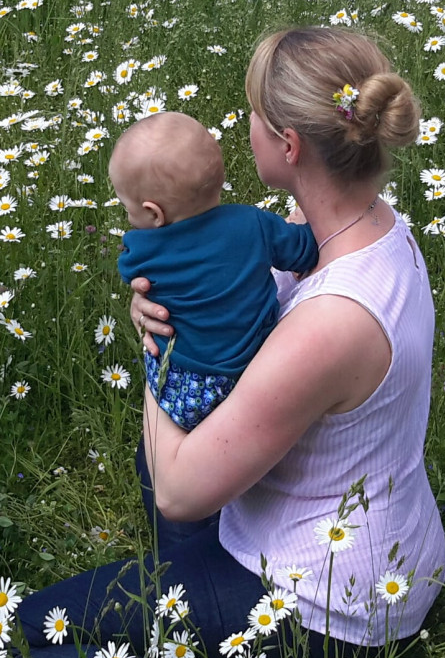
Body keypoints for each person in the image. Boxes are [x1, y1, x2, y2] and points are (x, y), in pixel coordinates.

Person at [13, 27, 445, 658]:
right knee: (150, 458)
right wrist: (166, 306)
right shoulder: (372, 228)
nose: (240, 128)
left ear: (288, 144)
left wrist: (164, 348)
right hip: (388, 552)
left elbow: (179, 493)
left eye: (249, 113)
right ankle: (184, 623)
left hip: (328, 613)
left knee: (26, 638)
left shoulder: (333, 321)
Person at [109, 111, 319, 431]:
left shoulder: (141, 250)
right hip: (251, 378)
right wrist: (308, 215)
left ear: (154, 213)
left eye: (127, 208)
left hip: (182, 388)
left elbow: (136, 281)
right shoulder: (254, 224)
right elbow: (305, 250)